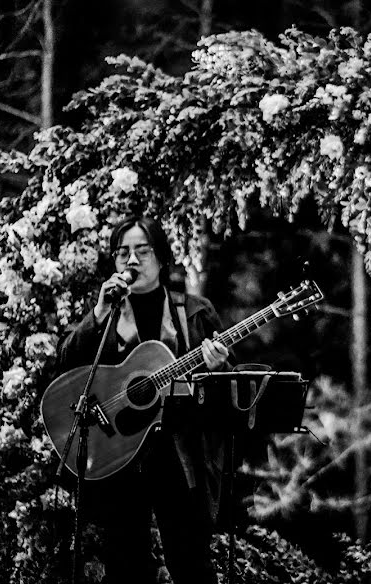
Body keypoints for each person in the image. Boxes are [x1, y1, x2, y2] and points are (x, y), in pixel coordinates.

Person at [58, 215, 229, 584]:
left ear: (162, 257)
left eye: (142, 251)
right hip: (120, 452)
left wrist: (216, 366)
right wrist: (99, 312)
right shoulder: (107, 312)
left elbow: (225, 392)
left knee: (191, 561)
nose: (131, 260)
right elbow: (66, 365)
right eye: (122, 254)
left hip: (178, 452)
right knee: (125, 563)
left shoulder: (195, 311)